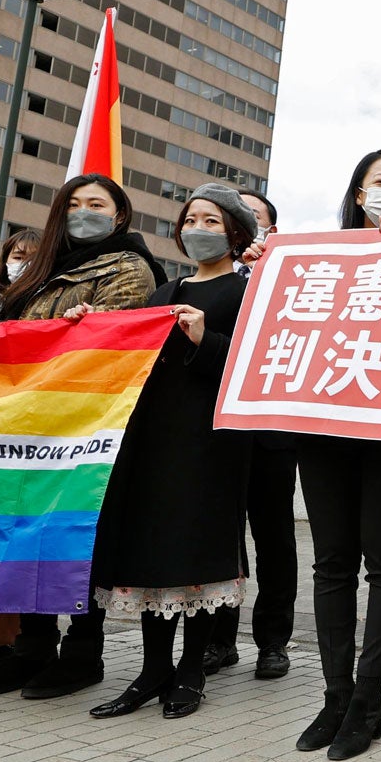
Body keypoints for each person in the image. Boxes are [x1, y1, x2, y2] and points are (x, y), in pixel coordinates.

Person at [246, 149, 381, 761]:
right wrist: (261, 270)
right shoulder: (317, 255)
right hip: (323, 425)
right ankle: (334, 692)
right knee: (331, 564)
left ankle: (369, 698)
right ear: (357, 193)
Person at [0, 174, 163, 701]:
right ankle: (31, 647)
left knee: (78, 537)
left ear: (119, 215)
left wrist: (85, 328)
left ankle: (83, 652)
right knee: (26, 531)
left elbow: (118, 342)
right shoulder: (42, 269)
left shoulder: (129, 268)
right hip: (30, 427)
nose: (83, 211)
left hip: (89, 428)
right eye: (73, 203)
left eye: (97, 204)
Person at [87, 185, 255, 720]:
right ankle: (152, 668)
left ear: (235, 232)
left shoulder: (248, 290)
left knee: (195, 552)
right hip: (151, 439)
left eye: (210, 219)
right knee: (151, 552)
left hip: (210, 442)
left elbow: (254, 363)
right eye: (190, 219)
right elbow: (124, 350)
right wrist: (90, 325)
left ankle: (192, 670)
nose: (196, 228)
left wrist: (205, 339)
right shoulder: (164, 291)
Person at [207, 189, 296, 680]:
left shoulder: (289, 275)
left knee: (274, 538)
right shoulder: (207, 280)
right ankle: (219, 640)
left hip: (270, 432)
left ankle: (273, 642)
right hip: (218, 428)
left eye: (252, 217)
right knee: (222, 537)